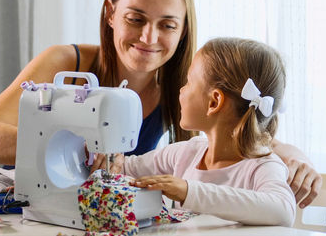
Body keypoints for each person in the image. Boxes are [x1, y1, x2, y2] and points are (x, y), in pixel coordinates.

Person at [0, 0, 320, 209]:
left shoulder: (183, 83)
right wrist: (73, 150)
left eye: (167, 25)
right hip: (28, 204)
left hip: (97, 213)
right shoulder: (66, 62)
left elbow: (235, 125)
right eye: (135, 18)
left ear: (183, 30)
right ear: (111, 13)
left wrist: (295, 156)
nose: (149, 37)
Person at [91, 37, 296, 226]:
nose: (181, 89)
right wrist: (105, 159)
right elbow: (124, 169)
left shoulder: (262, 167)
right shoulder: (186, 153)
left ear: (214, 102)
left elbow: (283, 211)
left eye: (189, 82)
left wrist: (188, 190)